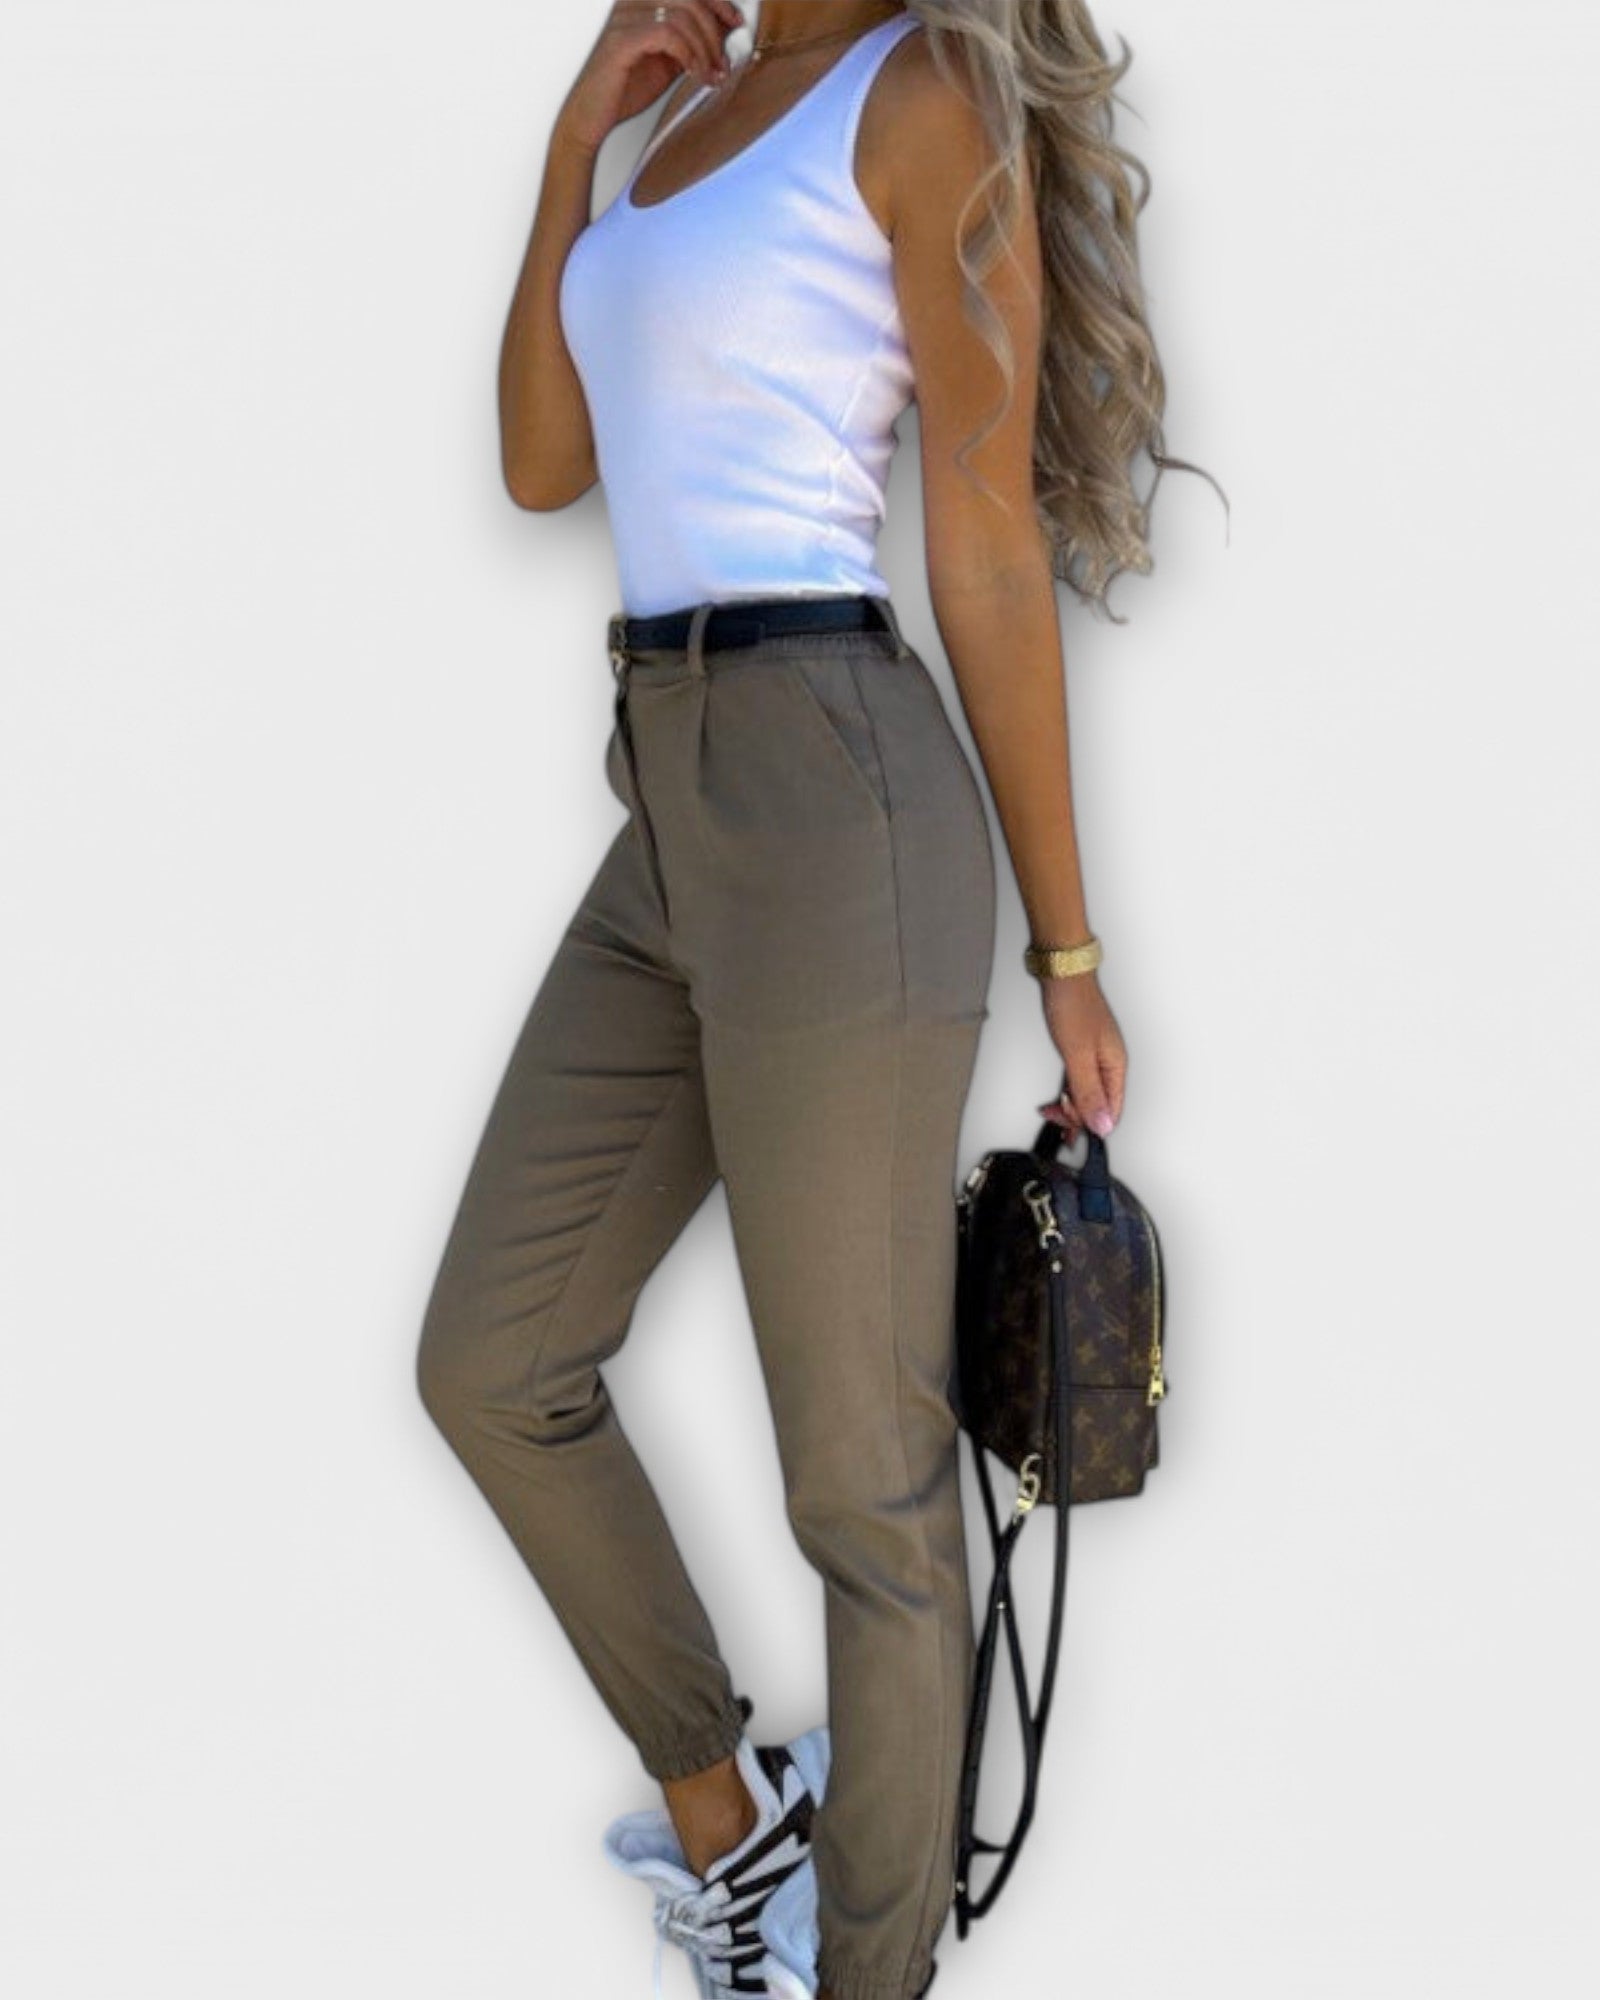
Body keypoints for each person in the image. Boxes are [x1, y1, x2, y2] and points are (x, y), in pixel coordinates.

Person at [416, 4, 1205, 1996]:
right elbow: (540, 466)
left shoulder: (920, 92)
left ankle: (870, 1973)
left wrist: (1070, 952)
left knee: (863, 1475)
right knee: (492, 1360)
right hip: (669, 793)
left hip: (836, 787)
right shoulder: (679, 118)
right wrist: (570, 144)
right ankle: (732, 1817)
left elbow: (986, 549)